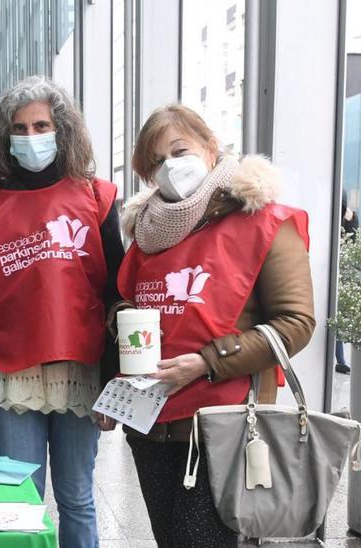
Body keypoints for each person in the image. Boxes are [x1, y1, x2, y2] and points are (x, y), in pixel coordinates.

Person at [110, 104, 315, 547]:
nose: (169, 168)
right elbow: (126, 303)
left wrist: (205, 362)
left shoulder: (265, 221)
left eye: (179, 151)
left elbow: (296, 322)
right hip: (152, 425)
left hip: (225, 425)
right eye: (155, 163)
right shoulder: (148, 235)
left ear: (210, 147)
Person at [0, 76, 123, 548]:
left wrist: (116, 381)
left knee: (76, 500)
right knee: (20, 506)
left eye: (41, 125)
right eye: (20, 128)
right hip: (12, 375)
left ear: (62, 130)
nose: (31, 137)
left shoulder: (98, 198)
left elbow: (118, 296)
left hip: (82, 371)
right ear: (4, 137)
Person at [335, 202, 359, 374]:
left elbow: (352, 241)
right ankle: (340, 361)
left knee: (337, 320)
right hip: (333, 274)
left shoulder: (347, 215)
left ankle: (341, 361)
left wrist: (351, 219)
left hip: (339, 275)